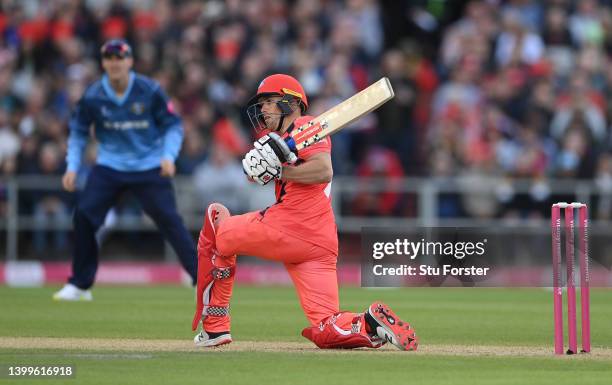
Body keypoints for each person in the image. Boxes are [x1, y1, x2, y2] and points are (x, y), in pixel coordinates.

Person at [191, 74, 418, 350]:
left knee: (216, 219)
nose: (262, 110)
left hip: (290, 226)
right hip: (319, 240)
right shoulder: (285, 139)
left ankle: (215, 326)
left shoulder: (305, 125)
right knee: (326, 327)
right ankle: (369, 322)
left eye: (268, 102)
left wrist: (279, 169)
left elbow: (324, 170)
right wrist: (261, 168)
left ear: (290, 103)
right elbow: (263, 173)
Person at [53, 39, 197, 301]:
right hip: (110, 166)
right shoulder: (93, 95)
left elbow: (173, 126)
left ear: (130, 61)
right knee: (84, 216)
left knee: (170, 220)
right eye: (109, 58)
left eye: (120, 58)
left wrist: (168, 156)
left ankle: (201, 278)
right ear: (103, 62)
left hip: (150, 166)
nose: (115, 63)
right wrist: (72, 166)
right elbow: (78, 132)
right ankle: (80, 285)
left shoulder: (150, 90)